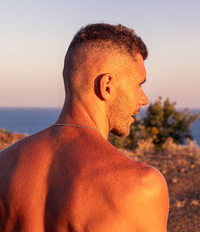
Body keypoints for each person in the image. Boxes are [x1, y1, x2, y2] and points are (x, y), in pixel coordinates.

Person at [0, 23, 169, 231]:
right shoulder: (142, 186)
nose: (144, 99)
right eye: (139, 85)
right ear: (106, 86)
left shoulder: (3, 164)